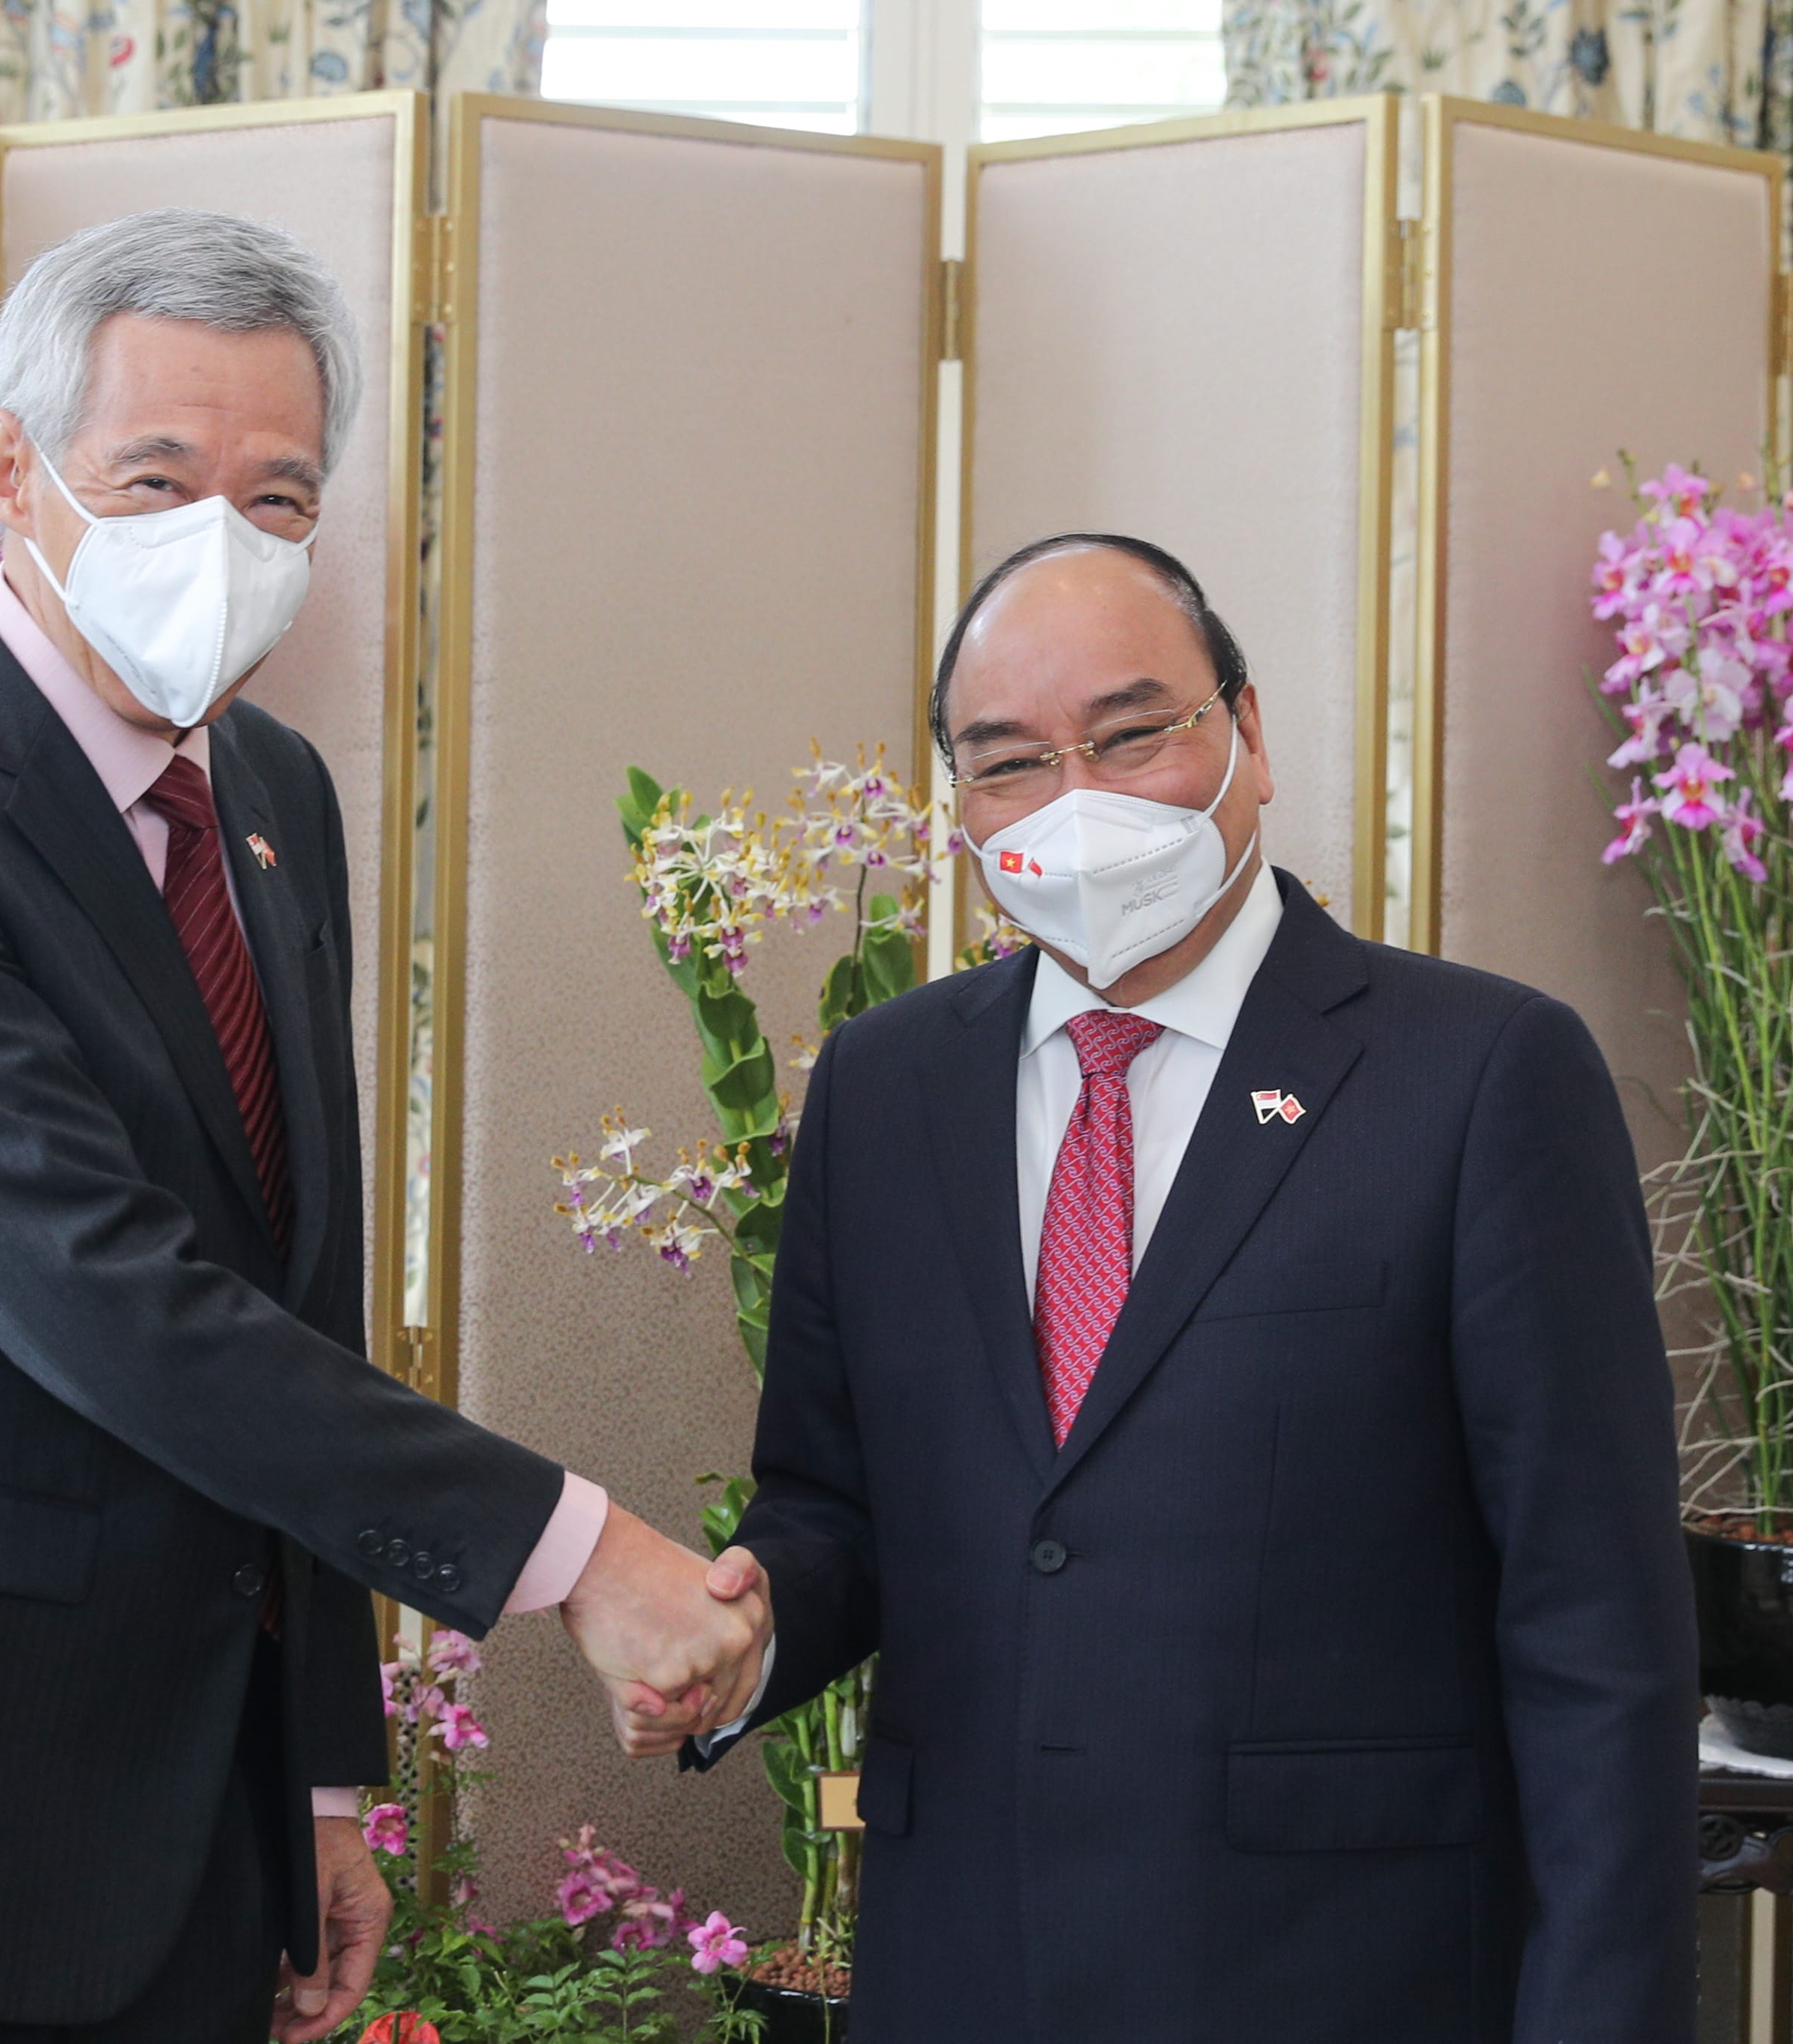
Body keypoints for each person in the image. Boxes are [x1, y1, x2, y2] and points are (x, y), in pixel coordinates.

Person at [0, 208, 769, 2044]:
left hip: (193, 1821)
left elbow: (299, 1288)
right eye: (154, 479)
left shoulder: (278, 793)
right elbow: (105, 1292)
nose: (219, 544)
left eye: (280, 501)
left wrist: (317, 1790)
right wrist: (579, 1555)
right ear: (8, 467)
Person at [670, 535, 1696, 2041]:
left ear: (1250, 734)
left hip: (1345, 1978)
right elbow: (835, 1507)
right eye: (1007, 762)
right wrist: (743, 1636)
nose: (1075, 801)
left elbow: (1595, 1626)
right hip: (965, 1969)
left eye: (1132, 733)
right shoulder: (886, 1093)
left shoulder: (1479, 1078)